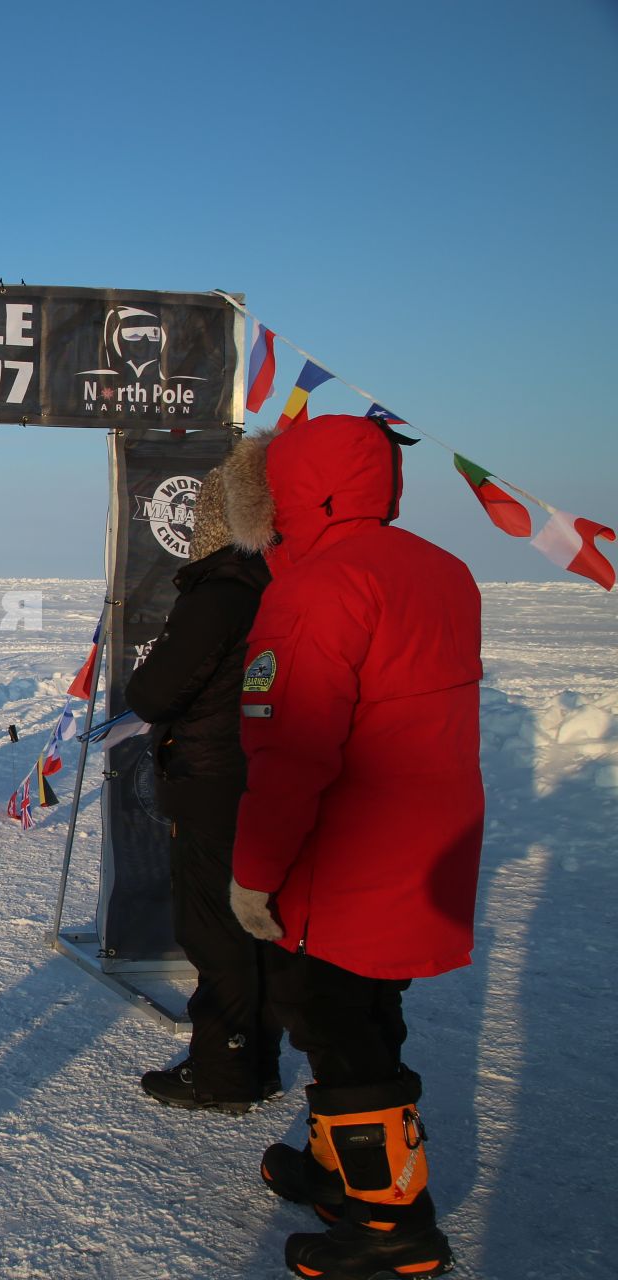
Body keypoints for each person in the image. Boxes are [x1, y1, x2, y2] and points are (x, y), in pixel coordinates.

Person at [226, 414, 481, 1280]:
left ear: (296, 491)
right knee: (369, 1003)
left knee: (334, 1021)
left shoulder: (317, 590)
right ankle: (343, 1170)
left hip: (346, 855)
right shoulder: (443, 572)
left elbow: (292, 753)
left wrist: (254, 877)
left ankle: (389, 1222)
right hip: (425, 848)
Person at [124, 444, 280, 1115]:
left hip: (215, 780)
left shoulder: (219, 592)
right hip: (256, 776)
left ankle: (222, 1071)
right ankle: (254, 1061)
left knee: (215, 932)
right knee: (250, 930)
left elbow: (156, 691)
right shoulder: (268, 584)